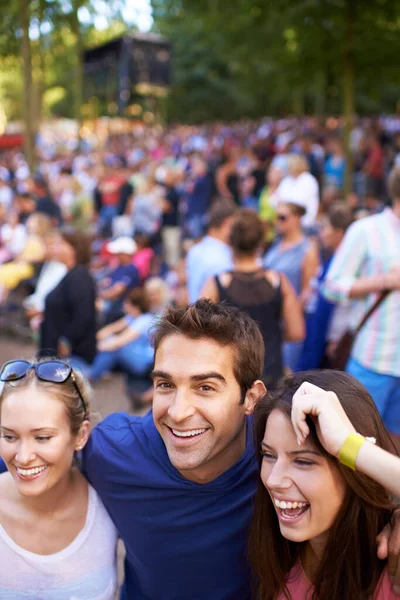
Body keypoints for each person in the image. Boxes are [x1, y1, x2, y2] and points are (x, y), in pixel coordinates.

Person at [1, 301, 400, 599]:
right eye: (164, 385)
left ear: (250, 397)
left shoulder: (277, 461)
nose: (178, 411)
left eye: (205, 387)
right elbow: (31, 455)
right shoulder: (112, 450)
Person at [249, 370, 400, 600]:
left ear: (354, 472)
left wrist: (348, 445)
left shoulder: (393, 570)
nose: (273, 480)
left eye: (303, 461)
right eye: (269, 455)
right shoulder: (278, 554)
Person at [0, 357, 118, 598]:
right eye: (10, 437)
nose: (23, 457)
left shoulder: (111, 503)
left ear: (80, 435)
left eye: (42, 437)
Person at [323, 165, 400, 435]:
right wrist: (383, 281)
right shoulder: (366, 230)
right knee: (358, 441)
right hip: (373, 360)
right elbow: (331, 285)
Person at [201, 209, 304, 387]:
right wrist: (270, 335)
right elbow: (296, 332)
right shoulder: (279, 282)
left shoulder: (217, 284)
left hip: (231, 375)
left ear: (231, 242)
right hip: (270, 374)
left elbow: (200, 330)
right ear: (261, 243)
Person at [263, 201, 320, 371]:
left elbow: (308, 292)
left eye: (282, 218)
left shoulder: (307, 250)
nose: (278, 222)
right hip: (269, 321)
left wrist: (289, 318)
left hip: (288, 324)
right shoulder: (276, 244)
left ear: (297, 219)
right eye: (276, 218)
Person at [40, 228, 96, 372]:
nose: (56, 248)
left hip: (69, 359)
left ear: (73, 249)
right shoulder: (71, 274)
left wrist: (66, 341)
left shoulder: (79, 277)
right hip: (56, 356)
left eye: (61, 244)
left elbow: (84, 316)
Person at [186, 202, 235, 303]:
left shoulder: (194, 250)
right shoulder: (224, 256)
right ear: (227, 223)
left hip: (195, 314)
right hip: (215, 315)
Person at [274, 155, 319, 229]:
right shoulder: (286, 181)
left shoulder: (309, 180)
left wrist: (287, 204)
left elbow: (300, 201)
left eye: (292, 165)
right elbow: (276, 198)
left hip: (304, 222)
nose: (289, 168)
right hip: (284, 220)